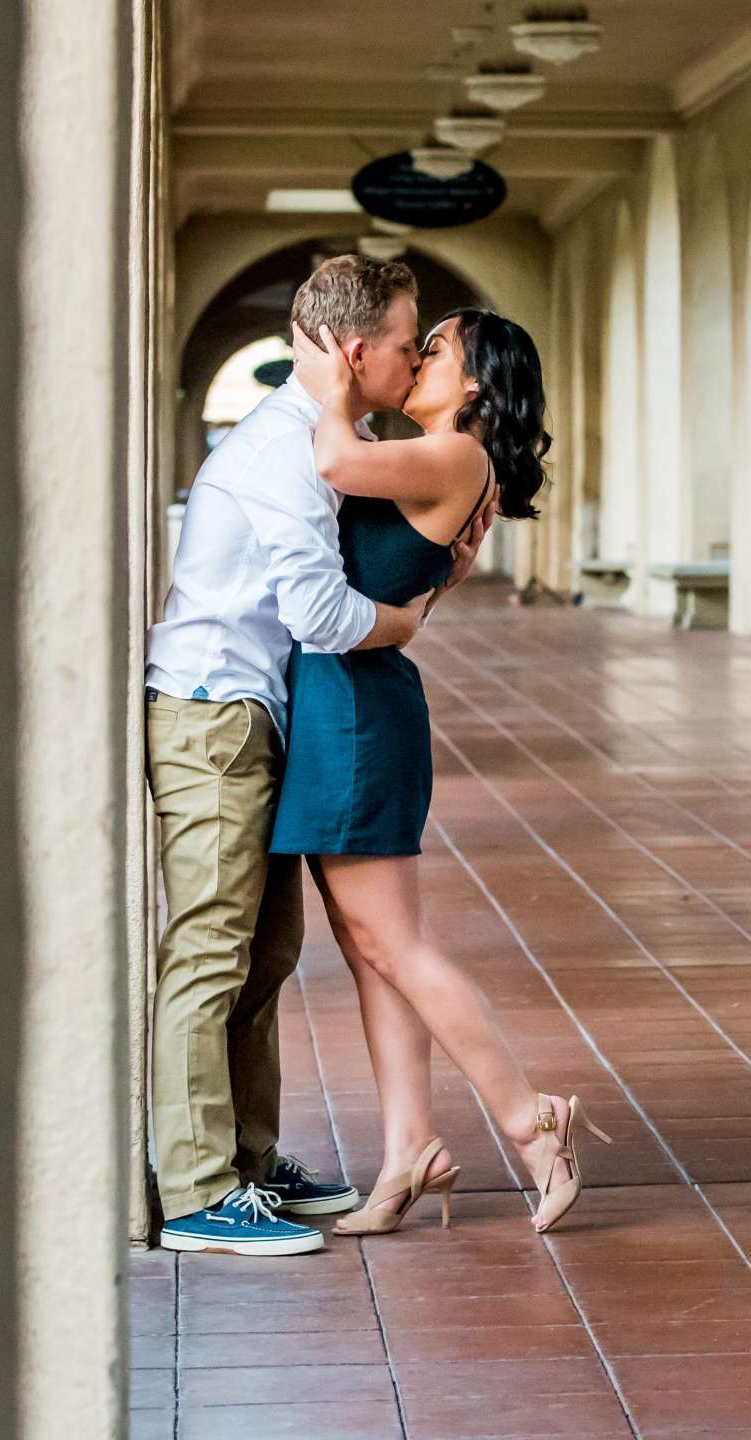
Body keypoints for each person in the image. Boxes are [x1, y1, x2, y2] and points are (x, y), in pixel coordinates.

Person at [143, 254, 488, 1257]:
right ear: (353, 350)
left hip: (258, 719)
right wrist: (411, 614)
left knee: (267, 952)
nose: (413, 354)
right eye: (402, 341)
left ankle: (250, 1161)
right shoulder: (290, 451)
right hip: (213, 714)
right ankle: (202, 1190)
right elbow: (323, 614)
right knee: (211, 949)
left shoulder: (335, 441)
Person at [276, 305, 608, 1237]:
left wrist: (338, 372)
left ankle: (528, 1116)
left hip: (356, 711)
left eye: (435, 350)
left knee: (395, 947)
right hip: (348, 694)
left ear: (473, 385)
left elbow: (331, 461)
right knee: (369, 950)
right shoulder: (439, 460)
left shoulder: (458, 456)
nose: (416, 361)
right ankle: (411, 1149)